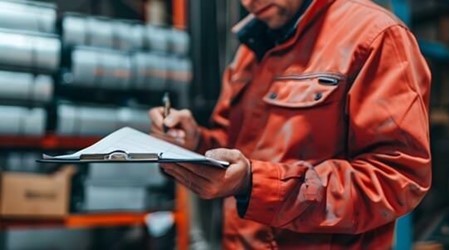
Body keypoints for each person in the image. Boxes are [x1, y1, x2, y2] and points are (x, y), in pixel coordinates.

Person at [149, 0, 432, 248]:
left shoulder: (373, 36)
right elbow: (235, 144)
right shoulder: (251, 49)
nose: (248, 2)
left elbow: (395, 178)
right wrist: (195, 141)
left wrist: (256, 184)